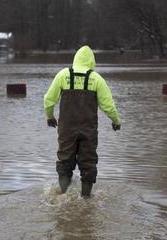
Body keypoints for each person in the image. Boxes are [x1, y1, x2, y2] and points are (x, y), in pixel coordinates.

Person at [43, 45, 121, 198]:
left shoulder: (63, 75)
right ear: (92, 61)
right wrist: (116, 121)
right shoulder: (97, 79)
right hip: (88, 130)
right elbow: (108, 105)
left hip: (66, 129)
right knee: (88, 163)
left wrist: (50, 117)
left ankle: (63, 195)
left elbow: (48, 100)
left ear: (75, 59)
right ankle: (85, 198)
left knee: (65, 161)